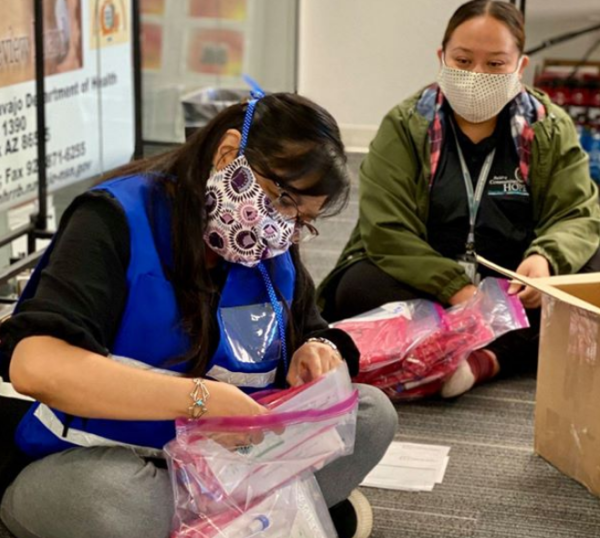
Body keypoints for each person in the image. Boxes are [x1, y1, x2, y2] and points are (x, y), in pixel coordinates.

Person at [0, 92, 398, 538]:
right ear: (229, 154)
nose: (284, 226)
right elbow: (35, 366)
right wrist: (200, 400)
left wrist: (319, 349)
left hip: (222, 465)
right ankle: (282, 514)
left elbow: (312, 327)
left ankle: (256, 517)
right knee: (110, 506)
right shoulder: (115, 218)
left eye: (301, 219)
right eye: (283, 199)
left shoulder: (264, 242)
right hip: (110, 461)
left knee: (370, 414)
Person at [317, 0, 600, 398]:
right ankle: (499, 347)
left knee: (588, 280)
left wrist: (545, 259)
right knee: (356, 287)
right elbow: (386, 230)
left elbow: (577, 213)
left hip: (512, 283)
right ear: (442, 58)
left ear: (520, 67)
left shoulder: (548, 128)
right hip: (425, 281)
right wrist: (459, 291)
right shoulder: (406, 125)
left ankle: (478, 360)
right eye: (463, 61)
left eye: (495, 64)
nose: (476, 75)